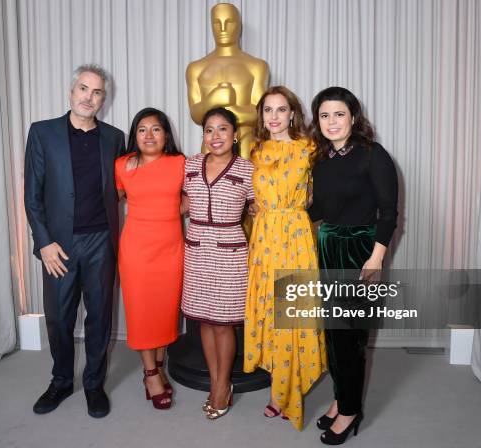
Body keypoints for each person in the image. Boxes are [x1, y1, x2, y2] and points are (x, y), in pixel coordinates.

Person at [24, 64, 125, 418]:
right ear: (71, 92)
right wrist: (45, 243)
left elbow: (122, 190)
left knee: (99, 316)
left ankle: (94, 384)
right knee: (58, 318)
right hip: (59, 246)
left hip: (101, 242)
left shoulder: (114, 138)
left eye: (96, 92)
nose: (89, 97)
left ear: (103, 99)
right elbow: (32, 196)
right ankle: (62, 380)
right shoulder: (42, 133)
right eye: (83, 89)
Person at [307, 86, 398, 445]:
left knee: (351, 338)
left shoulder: (372, 155)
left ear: (354, 117)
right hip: (327, 247)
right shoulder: (322, 159)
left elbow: (389, 212)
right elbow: (321, 210)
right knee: (333, 335)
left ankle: (350, 411)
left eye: (339, 114)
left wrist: (376, 258)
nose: (331, 122)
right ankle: (340, 398)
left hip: (360, 252)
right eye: (325, 115)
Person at [244, 86, 327, 430]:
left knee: (290, 313)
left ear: (293, 113)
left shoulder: (310, 149)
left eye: (281, 109)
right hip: (264, 238)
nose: (274, 116)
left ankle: (287, 392)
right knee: (270, 311)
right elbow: (252, 194)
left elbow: (322, 195)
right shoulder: (257, 150)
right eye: (268, 110)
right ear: (262, 115)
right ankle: (278, 391)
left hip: (294, 235)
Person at [180, 107, 255, 419]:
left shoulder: (248, 169)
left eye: (222, 129)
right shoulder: (191, 164)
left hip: (230, 254)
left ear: (235, 134)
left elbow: (259, 209)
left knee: (224, 325)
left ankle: (222, 386)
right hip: (197, 252)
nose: (215, 136)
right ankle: (216, 380)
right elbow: (180, 204)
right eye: (209, 130)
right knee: (205, 323)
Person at [114, 108, 185, 410]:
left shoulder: (180, 163)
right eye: (142, 130)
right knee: (143, 312)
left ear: (166, 134)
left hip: (170, 250)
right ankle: (151, 373)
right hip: (136, 252)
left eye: (156, 129)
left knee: (165, 310)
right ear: (134, 136)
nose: (149, 135)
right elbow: (112, 201)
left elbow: (191, 200)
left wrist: (167, 212)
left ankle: (159, 363)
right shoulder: (122, 165)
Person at [186, 2, 269, 158]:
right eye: (217, 23)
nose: (222, 28)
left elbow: (260, 113)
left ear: (238, 25)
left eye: (229, 22)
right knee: (210, 180)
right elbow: (195, 114)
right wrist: (212, 100)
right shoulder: (196, 68)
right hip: (211, 144)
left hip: (245, 142)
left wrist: (227, 109)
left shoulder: (256, 66)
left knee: (245, 180)